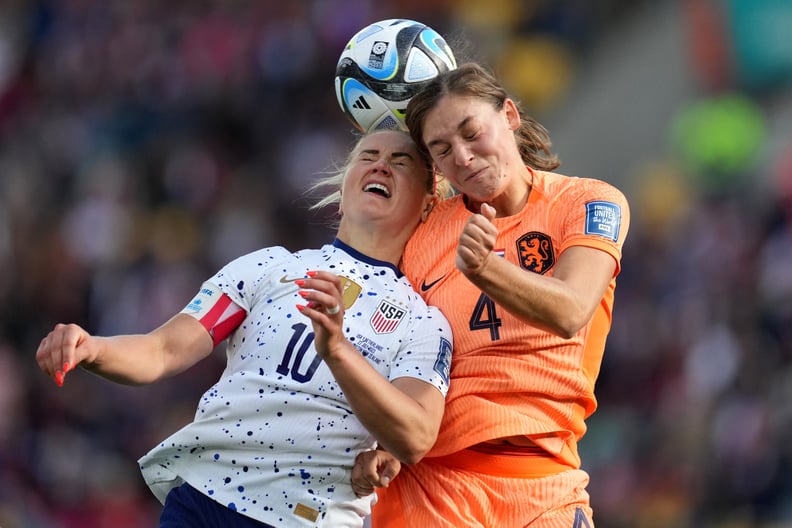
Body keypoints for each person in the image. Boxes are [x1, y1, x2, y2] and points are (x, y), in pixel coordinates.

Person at [35, 129, 453, 528]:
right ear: (342, 193)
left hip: (306, 517)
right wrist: (92, 349)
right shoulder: (269, 267)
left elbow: (414, 435)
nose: (380, 166)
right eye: (368, 156)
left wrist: (338, 351)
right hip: (206, 499)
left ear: (428, 205)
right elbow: (162, 350)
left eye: (400, 162)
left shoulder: (424, 323)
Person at [352, 62, 631, 527]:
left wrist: (486, 270)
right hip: (430, 490)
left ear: (509, 115)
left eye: (471, 132)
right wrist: (373, 445)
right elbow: (388, 345)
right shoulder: (422, 234)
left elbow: (571, 310)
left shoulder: (588, 202)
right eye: (441, 149)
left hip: (543, 489)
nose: (462, 156)